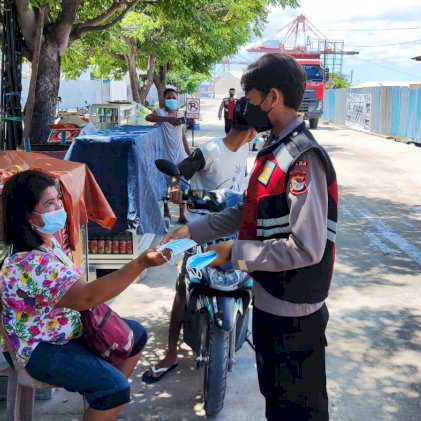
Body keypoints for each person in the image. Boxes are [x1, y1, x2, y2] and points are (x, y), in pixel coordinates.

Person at [162, 53, 338, 420]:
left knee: (296, 410)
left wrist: (236, 252)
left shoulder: (302, 158)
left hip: (294, 316)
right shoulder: (272, 151)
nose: (244, 105)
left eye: (250, 96)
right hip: (271, 301)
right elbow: (247, 211)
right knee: (276, 402)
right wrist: (190, 230)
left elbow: (307, 247)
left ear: (272, 97)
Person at [0, 170, 170, 421]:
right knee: (114, 389)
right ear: (26, 216)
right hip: (42, 347)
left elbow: (80, 289)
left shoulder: (46, 242)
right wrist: (140, 263)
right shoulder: (28, 263)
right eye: (49, 203)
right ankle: (107, 398)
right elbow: (86, 297)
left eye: (58, 199)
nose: (59, 206)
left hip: (68, 330)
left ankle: (103, 406)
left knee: (136, 337)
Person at [142, 97, 256, 383]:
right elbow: (179, 172)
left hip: (232, 229)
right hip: (200, 231)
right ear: (253, 127)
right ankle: (170, 353)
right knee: (183, 285)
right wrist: (175, 187)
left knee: (252, 275)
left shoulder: (245, 150)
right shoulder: (210, 150)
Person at [147, 88, 192, 223]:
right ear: (164, 100)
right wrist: (167, 119)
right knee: (165, 187)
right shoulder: (160, 113)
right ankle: (166, 210)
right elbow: (148, 117)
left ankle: (182, 214)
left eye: (174, 97)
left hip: (181, 157)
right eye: (169, 98)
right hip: (166, 157)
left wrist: (190, 154)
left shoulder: (180, 115)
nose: (171, 100)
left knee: (183, 187)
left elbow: (182, 136)